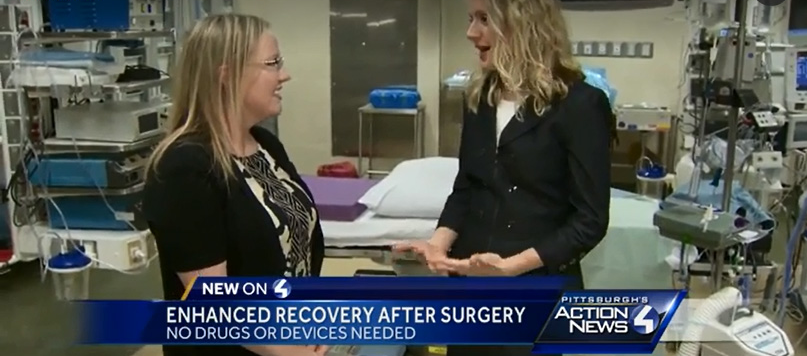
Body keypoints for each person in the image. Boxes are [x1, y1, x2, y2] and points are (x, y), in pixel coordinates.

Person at [394, 0, 612, 355]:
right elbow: (467, 187)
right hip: (473, 289)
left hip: (538, 295)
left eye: (484, 19)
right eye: (470, 19)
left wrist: (511, 268)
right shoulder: (480, 99)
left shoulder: (580, 105)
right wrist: (438, 244)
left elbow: (590, 220)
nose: (471, 32)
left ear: (525, 25)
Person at [142, 14, 328, 356]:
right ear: (226, 75)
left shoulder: (265, 145)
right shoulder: (184, 169)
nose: (284, 74)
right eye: (273, 63)